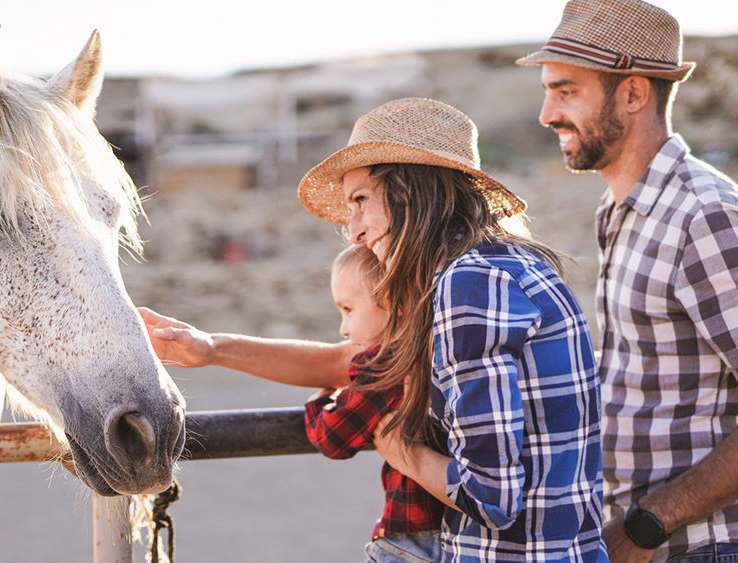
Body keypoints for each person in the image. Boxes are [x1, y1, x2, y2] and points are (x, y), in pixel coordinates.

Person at [141, 97, 606, 562]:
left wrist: (400, 449)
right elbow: (351, 362)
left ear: (411, 190)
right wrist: (211, 348)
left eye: (361, 200)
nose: (355, 231)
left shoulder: (469, 285)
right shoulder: (513, 265)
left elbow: (491, 497)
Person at [517, 1, 738, 561]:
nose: (546, 114)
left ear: (634, 94)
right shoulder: (619, 210)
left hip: (703, 547)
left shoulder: (703, 216)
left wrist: (647, 524)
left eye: (566, 91)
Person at [305, 243, 445, 563]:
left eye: (348, 310)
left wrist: (322, 399)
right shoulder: (441, 347)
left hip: (413, 538)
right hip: (463, 532)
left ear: (393, 305)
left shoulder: (384, 365)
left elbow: (334, 438)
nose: (343, 329)